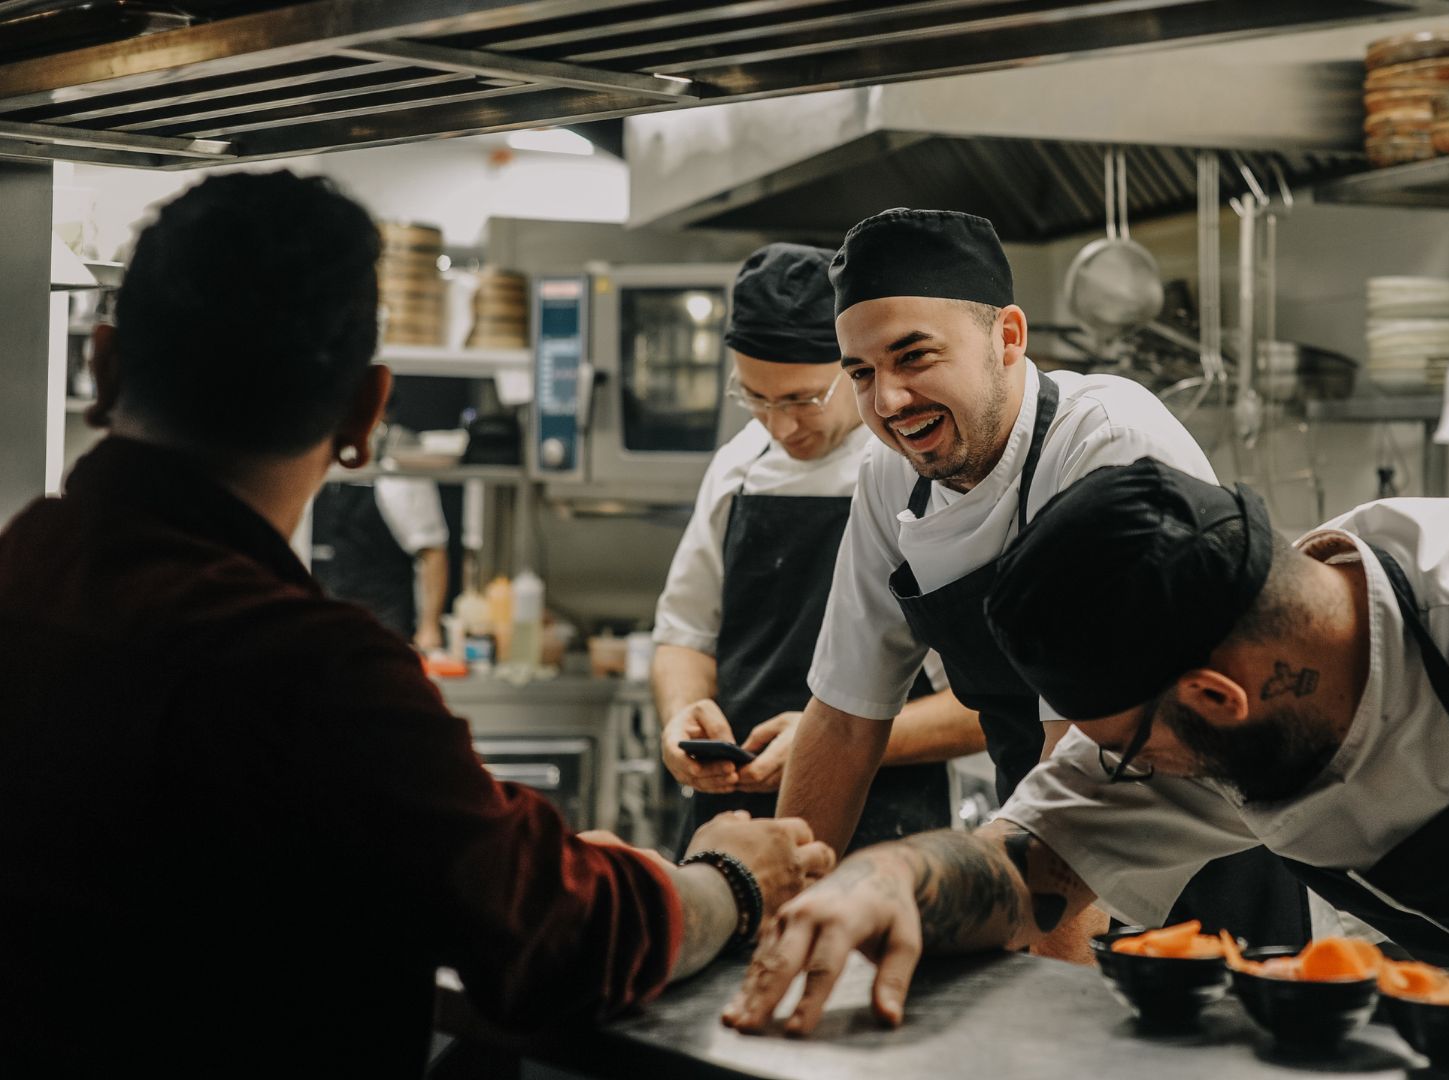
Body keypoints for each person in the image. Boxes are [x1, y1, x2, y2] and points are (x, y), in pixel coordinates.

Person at [0, 172, 833, 1075]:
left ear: (104, 366)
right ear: (367, 414)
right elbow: (556, 936)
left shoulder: (22, 571)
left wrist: (528, 856)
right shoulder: (311, 674)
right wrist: (730, 879)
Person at [722, 461, 1449, 1080]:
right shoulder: (1186, 704)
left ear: (1216, 697)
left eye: (1125, 746)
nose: (1125, 775)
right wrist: (889, 877)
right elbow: (1019, 865)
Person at [771, 207, 1307, 954]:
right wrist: (775, 919)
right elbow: (843, 719)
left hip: (1188, 858)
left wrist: (1049, 995)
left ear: (1008, 338)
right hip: (1033, 847)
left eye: (915, 357)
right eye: (862, 374)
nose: (888, 401)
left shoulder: (1105, 444)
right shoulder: (890, 476)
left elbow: (1081, 743)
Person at [652, 242, 983, 852]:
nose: (780, 428)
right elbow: (684, 634)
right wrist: (683, 713)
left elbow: (981, 708)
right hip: (730, 818)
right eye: (756, 399)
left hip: (888, 829)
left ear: (856, 369)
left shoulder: (922, 474)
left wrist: (821, 739)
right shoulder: (737, 467)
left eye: (801, 400)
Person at [311, 471, 450, 651]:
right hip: (335, 620)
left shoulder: (400, 480)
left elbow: (432, 552)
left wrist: (429, 627)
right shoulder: (326, 475)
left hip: (386, 623)